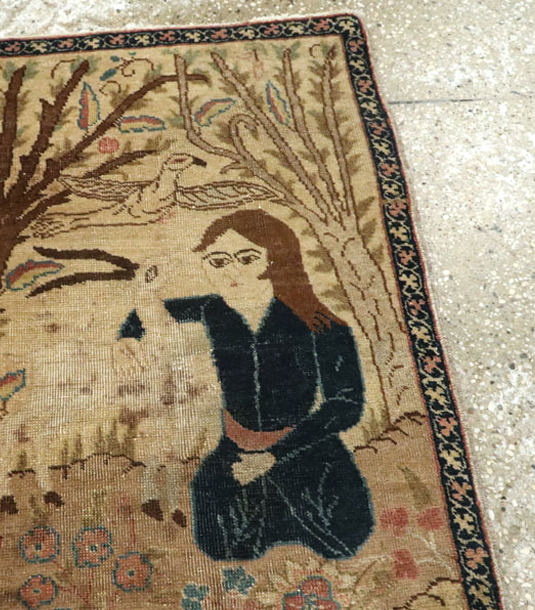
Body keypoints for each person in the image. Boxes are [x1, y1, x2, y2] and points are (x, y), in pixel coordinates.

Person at [116, 209, 374, 561]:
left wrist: (273, 456)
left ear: (275, 260)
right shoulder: (213, 310)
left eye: (247, 258)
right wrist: (127, 336)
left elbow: (346, 406)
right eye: (218, 261)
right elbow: (147, 315)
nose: (231, 272)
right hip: (235, 450)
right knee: (217, 542)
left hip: (305, 451)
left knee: (343, 538)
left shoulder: (323, 326)